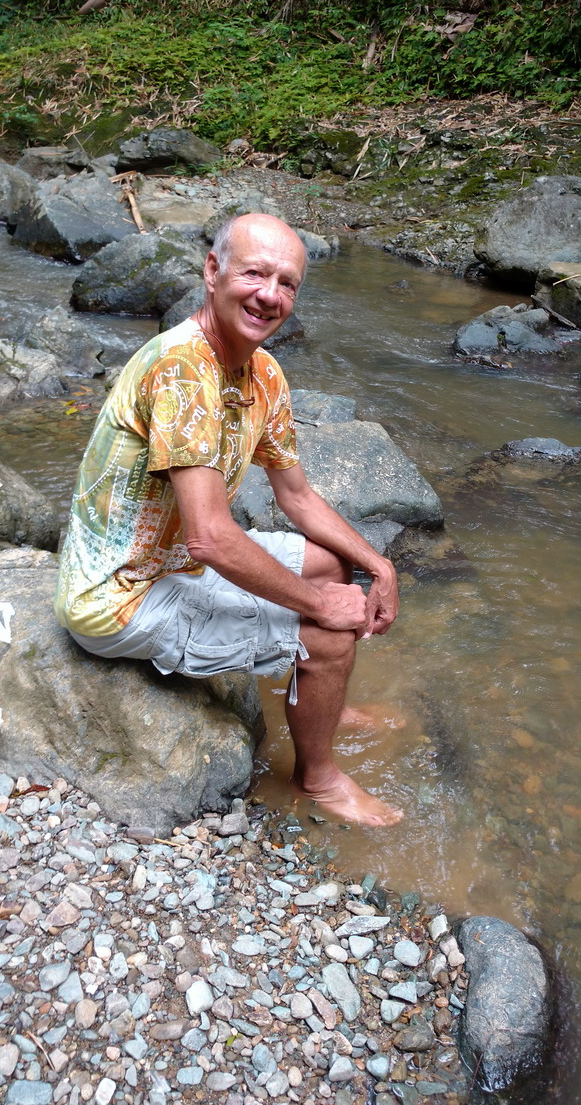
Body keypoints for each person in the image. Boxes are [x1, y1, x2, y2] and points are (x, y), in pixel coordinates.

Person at [55, 212, 402, 827]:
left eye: (287, 283)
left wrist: (379, 565)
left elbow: (296, 497)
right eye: (255, 274)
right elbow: (212, 537)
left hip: (176, 562)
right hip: (121, 594)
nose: (271, 295)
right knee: (326, 629)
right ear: (212, 272)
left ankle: (320, 698)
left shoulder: (263, 373)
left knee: (335, 564)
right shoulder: (183, 369)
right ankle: (318, 777)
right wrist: (320, 610)